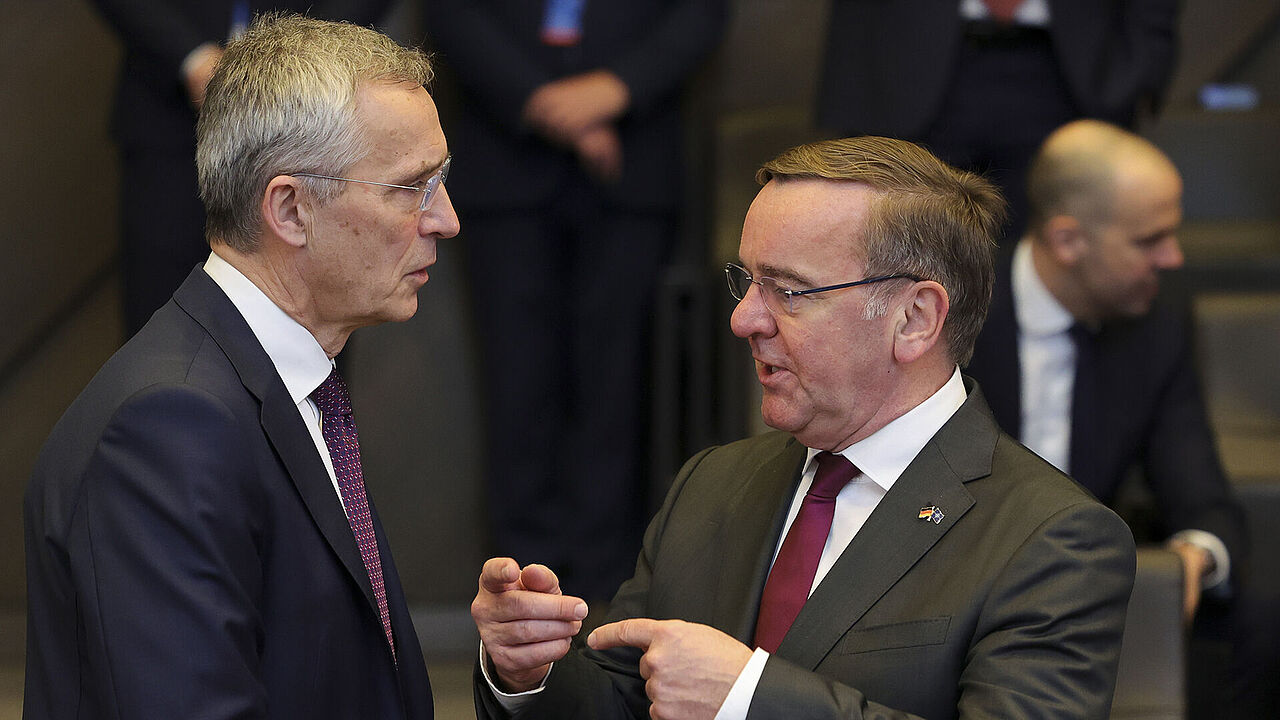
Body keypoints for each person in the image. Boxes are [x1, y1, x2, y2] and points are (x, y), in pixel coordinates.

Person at [470, 136, 1137, 719]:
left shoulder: (1052, 538)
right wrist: (529, 674)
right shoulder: (715, 482)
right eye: (748, 282)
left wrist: (750, 701)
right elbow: (624, 697)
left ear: (914, 319)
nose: (745, 320)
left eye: (789, 290)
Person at [23, 14, 459, 719]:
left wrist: (503, 673)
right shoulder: (168, 427)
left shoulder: (294, 383)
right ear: (289, 209)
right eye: (411, 187)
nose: (446, 219)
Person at [966, 118, 1276, 718]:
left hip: (1083, 576)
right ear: (1068, 240)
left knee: (1256, 619)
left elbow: (1205, 500)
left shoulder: (1157, 328)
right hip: (955, 565)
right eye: (1149, 240)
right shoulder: (957, 308)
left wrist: (1196, 556)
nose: (1174, 258)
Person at [423, 0, 727, 603]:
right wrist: (541, 103)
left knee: (620, 388)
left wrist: (614, 90)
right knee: (515, 386)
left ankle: (607, 590)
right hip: (504, 160)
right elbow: (451, 14)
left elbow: (701, 14)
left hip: (634, 160)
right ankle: (521, 589)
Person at [86, 0, 392, 337]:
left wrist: (307, 61)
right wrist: (192, 59)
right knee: (161, 322)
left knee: (304, 327)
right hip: (168, 125)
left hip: (307, 118)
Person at [816, 0, 1179, 241]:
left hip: (1071, 70)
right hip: (904, 66)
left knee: (1059, 267)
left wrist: (1147, 55)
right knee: (901, 265)